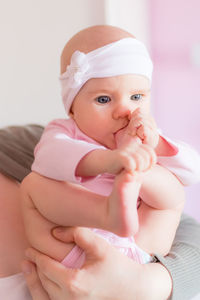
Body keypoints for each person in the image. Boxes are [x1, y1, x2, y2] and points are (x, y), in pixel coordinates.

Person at [21, 25, 200, 269]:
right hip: (77, 248)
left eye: (136, 97)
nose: (124, 111)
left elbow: (193, 172)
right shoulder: (65, 132)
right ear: (73, 108)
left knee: (174, 192)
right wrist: (109, 160)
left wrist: (149, 153)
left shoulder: (146, 135)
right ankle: (105, 212)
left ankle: (131, 182)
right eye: (104, 99)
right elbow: (48, 158)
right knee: (33, 184)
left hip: (140, 248)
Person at [0, 124, 199, 300]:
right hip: (134, 252)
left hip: (136, 259)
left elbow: (189, 229)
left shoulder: (19, 144)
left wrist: (147, 285)